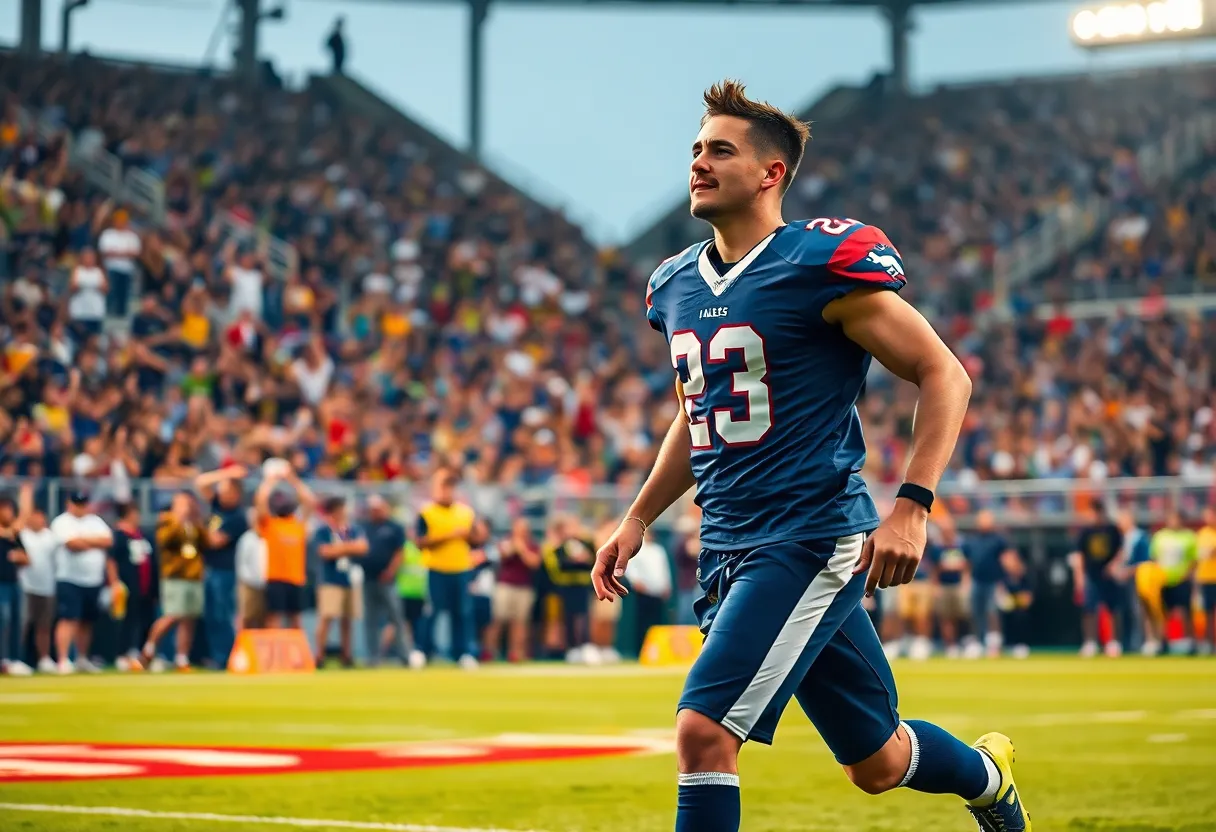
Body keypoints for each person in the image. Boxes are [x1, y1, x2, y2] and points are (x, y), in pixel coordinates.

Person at [590, 81, 1029, 832]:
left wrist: (912, 507)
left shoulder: (817, 261)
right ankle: (990, 779)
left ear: (772, 173)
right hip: (728, 540)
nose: (698, 162)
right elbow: (695, 415)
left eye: (720, 150)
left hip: (806, 535)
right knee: (878, 763)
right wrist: (636, 517)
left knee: (703, 733)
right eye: (696, 148)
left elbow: (944, 373)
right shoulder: (674, 284)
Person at [416, 468, 483, 669]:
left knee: (462, 612)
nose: (446, 491)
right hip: (436, 568)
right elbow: (420, 541)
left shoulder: (465, 512)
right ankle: (423, 650)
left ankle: (462, 653)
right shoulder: (427, 512)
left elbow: (477, 539)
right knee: (431, 612)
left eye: (450, 487)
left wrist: (468, 536)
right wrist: (449, 535)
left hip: (461, 567)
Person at [50, 489, 117, 674]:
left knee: (87, 621)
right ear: (69, 503)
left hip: (93, 579)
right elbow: (72, 544)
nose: (80, 508)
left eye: (83, 504)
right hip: (69, 578)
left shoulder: (95, 521)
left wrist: (84, 541)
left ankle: (81, 658)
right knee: (68, 618)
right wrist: (92, 542)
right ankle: (63, 660)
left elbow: (109, 540)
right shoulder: (62, 522)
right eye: (77, 503)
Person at [141, 492, 206, 671]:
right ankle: (148, 649)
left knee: (189, 618)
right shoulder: (167, 520)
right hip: (175, 575)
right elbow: (164, 540)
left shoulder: (193, 523)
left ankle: (182, 658)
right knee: (172, 614)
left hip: (193, 575)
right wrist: (179, 519)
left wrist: (196, 519)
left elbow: (205, 542)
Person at [197, 465, 250, 668]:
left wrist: (195, 531)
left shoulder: (237, 516)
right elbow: (201, 482)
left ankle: (227, 657)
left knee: (222, 614)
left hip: (225, 571)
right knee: (211, 615)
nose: (220, 493)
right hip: (209, 569)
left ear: (236, 493)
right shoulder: (218, 507)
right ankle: (217, 656)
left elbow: (214, 541)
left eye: (226, 489)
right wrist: (226, 473)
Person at [255, 468, 315, 630]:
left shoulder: (298, 525)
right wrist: (270, 480)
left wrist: (292, 479)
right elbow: (260, 501)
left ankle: (295, 655)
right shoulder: (270, 523)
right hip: (276, 578)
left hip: (295, 578)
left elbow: (310, 501)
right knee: (274, 618)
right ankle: (274, 654)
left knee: (296, 619)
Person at [312, 496, 368, 668]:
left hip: (349, 579)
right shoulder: (323, 531)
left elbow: (363, 547)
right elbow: (325, 552)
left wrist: (340, 549)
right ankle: (319, 656)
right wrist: (350, 548)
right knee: (327, 617)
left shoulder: (353, 529)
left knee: (347, 619)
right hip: (330, 579)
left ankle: (347, 655)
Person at [1069, 499, 1126, 657]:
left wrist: (1114, 565)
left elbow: (1121, 550)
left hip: (1109, 576)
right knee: (1089, 609)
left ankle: (1113, 642)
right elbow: (1079, 555)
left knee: (1112, 609)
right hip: (1091, 575)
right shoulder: (1085, 532)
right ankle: (1090, 642)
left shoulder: (1112, 530)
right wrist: (1079, 577)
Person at [361, 495, 410, 667]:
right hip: (369, 579)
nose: (376, 512)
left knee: (396, 617)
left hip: (388, 580)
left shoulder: (394, 527)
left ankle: (405, 655)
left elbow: (400, 552)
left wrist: (390, 571)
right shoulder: (365, 527)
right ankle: (373, 657)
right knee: (371, 620)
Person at [485, 516, 541, 662]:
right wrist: (512, 547)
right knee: (497, 620)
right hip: (505, 586)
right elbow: (501, 556)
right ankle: (490, 651)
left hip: (524, 587)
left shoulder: (532, 545)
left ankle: (516, 653)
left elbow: (534, 563)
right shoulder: (506, 541)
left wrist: (521, 549)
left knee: (520, 622)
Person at [962, 510, 1017, 658]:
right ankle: (979, 642)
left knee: (992, 612)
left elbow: (1007, 560)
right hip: (976, 581)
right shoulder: (971, 540)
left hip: (994, 582)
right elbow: (967, 563)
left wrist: (1007, 579)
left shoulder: (999, 540)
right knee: (976, 612)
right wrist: (965, 581)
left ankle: (994, 643)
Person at [109, 502, 156, 672]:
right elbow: (111, 560)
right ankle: (122, 654)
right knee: (127, 621)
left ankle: (143, 656)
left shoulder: (142, 535)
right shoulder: (119, 536)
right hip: (127, 585)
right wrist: (115, 583)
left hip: (145, 586)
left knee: (145, 621)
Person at [544, 514, 596, 663]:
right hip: (567, 586)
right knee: (569, 617)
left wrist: (582, 560)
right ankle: (572, 648)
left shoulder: (586, 542)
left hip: (583, 585)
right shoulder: (560, 545)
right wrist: (576, 561)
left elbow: (593, 561)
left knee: (584, 616)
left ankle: (586, 646)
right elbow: (561, 565)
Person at [17, 488, 57, 673]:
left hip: (47, 587)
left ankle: (44, 658)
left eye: (41, 516)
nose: (39, 520)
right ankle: (18, 658)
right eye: (35, 516)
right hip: (26, 586)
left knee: (44, 625)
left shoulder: (50, 537)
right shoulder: (23, 534)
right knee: (23, 624)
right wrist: (26, 496)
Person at [1149, 510, 1198, 653]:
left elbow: (1193, 559)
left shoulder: (1189, 536)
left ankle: (1190, 643)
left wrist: (1187, 574)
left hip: (1182, 580)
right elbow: (1154, 558)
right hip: (1163, 580)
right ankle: (1162, 641)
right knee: (1162, 612)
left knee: (1186, 612)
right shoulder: (1160, 536)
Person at [626, 528, 673, 657]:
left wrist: (666, 585)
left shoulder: (658, 550)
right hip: (643, 592)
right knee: (642, 623)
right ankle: (640, 651)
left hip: (658, 592)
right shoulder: (637, 550)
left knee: (656, 624)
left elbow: (664, 569)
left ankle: (656, 652)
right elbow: (630, 567)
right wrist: (636, 582)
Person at [0, 489, 32, 675]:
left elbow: (27, 559)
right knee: (2, 621)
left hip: (13, 582)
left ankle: (14, 659)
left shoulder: (14, 535)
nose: (9, 513)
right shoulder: (10, 532)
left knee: (16, 622)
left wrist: (18, 557)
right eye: (5, 509)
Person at [934, 525, 971, 659]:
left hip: (958, 585)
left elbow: (966, 566)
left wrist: (965, 583)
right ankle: (950, 645)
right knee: (946, 617)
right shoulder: (938, 548)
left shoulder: (962, 546)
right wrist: (936, 587)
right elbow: (935, 569)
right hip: (944, 586)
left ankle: (967, 642)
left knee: (963, 614)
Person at [394, 538, 429, 668]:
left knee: (415, 625)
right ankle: (382, 651)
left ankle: (411, 652)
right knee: (400, 625)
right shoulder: (406, 547)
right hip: (404, 591)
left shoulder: (424, 549)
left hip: (420, 593)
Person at [997, 549, 1034, 659]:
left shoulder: (1025, 576)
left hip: (1022, 612)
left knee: (1021, 616)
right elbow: (1000, 596)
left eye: (1009, 560)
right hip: (1006, 612)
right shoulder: (1002, 577)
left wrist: (1012, 601)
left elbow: (1027, 599)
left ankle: (1021, 645)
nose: (1006, 563)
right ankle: (1000, 645)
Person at [1196, 506, 1216, 654]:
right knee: (1208, 612)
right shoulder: (1202, 534)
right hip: (1206, 578)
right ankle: (1209, 643)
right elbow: (1199, 557)